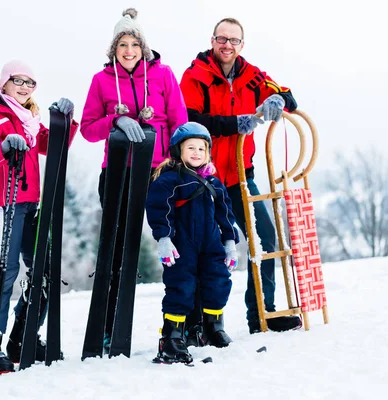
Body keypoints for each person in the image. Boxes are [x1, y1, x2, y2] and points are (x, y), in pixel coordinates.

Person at [179, 17, 302, 336]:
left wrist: (277, 99)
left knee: (265, 238)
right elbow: (190, 121)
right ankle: (198, 323)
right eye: (222, 39)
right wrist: (234, 124)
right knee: (205, 249)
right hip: (201, 179)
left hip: (240, 177)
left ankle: (264, 314)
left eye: (234, 41)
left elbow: (287, 96)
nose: (227, 45)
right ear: (212, 40)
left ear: (242, 45)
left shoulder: (253, 76)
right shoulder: (195, 76)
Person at [80, 8, 188, 354]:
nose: (129, 51)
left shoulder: (163, 75)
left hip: (159, 172)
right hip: (117, 174)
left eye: (134, 44)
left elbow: (179, 122)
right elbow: (87, 128)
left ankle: (182, 325)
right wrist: (114, 120)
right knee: (116, 252)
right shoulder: (101, 81)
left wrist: (175, 165)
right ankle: (109, 326)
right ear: (114, 49)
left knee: (177, 244)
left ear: (144, 47)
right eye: (122, 44)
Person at [0, 59, 77, 375]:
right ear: (4, 83)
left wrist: (64, 121)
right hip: (4, 202)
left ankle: (21, 336)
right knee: (5, 269)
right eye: (19, 80)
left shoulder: (29, 119)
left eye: (31, 83)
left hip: (30, 203)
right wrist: (2, 148)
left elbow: (55, 146)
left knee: (43, 269)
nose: (25, 87)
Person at [145, 122, 239, 363]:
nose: (197, 153)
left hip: (211, 244)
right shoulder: (169, 180)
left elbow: (226, 214)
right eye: (191, 148)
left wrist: (230, 242)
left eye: (201, 149)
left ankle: (213, 327)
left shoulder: (214, 183)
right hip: (181, 245)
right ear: (178, 151)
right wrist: (164, 239)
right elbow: (159, 210)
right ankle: (172, 337)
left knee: (218, 282)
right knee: (181, 286)